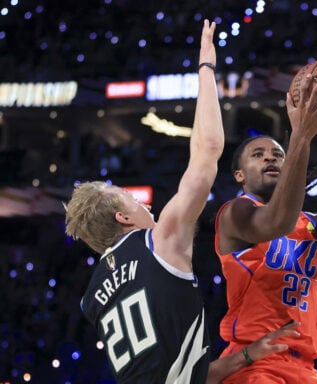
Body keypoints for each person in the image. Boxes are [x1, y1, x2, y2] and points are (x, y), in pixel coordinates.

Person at [64, 20, 301, 384]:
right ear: (123, 218)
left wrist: (249, 355)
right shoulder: (156, 243)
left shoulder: (93, 297)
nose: (149, 208)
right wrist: (206, 69)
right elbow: (207, 151)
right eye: (134, 201)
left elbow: (185, 375)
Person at [214, 74, 317, 383]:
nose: (270, 156)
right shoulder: (236, 212)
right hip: (255, 363)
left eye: (278, 154)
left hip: (306, 369)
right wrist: (301, 136)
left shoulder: (313, 222)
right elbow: (276, 222)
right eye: (258, 155)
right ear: (240, 175)